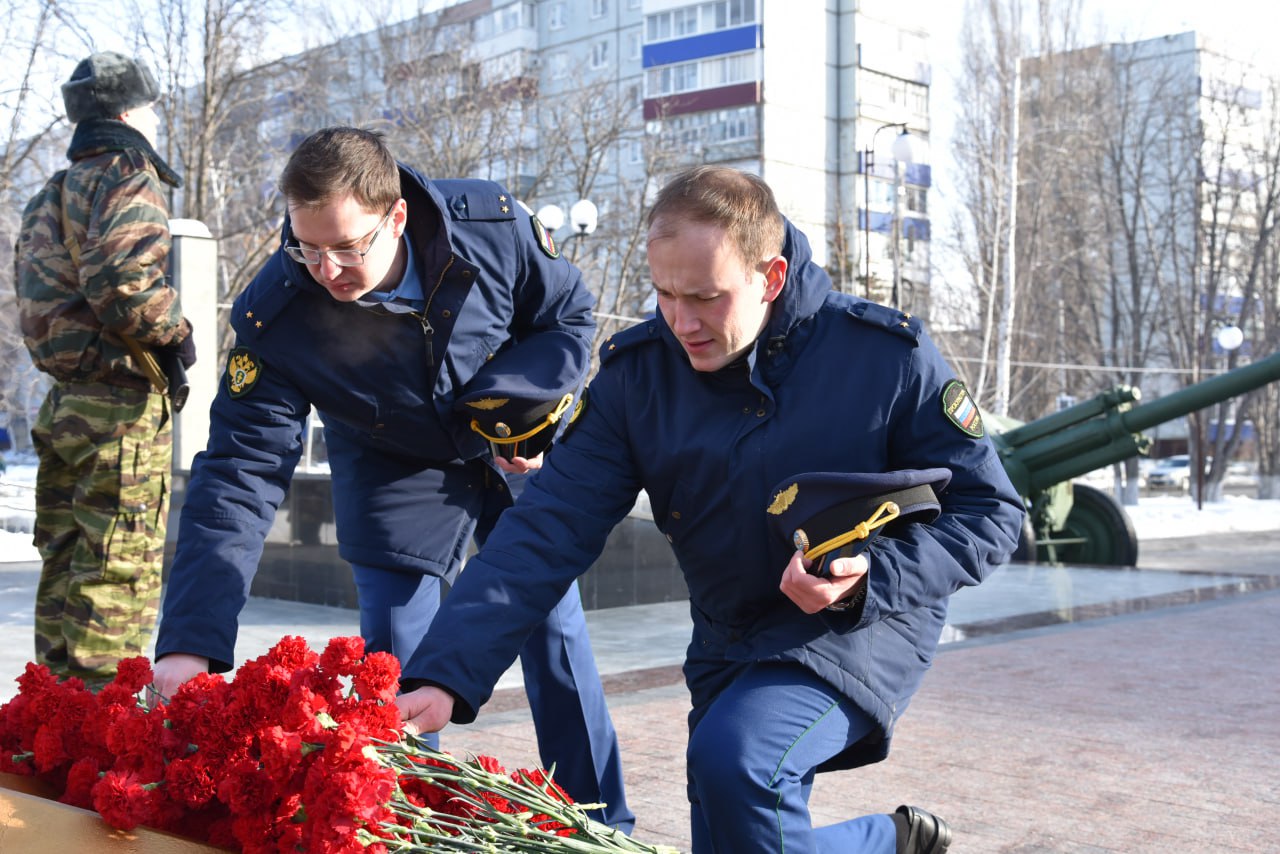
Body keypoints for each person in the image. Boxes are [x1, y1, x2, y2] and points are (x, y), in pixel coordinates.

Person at [395, 165, 1026, 852]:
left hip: (859, 626)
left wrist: (869, 577)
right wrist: (446, 672)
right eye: (664, 293)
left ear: (771, 277)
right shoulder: (639, 378)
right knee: (734, 827)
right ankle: (886, 844)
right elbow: (549, 526)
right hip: (728, 634)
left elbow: (990, 510)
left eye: (705, 297)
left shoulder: (885, 358)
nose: (680, 321)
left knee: (738, 764)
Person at [149, 127, 633, 831]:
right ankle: (404, 832)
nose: (327, 269)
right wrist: (190, 637)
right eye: (306, 247)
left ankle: (600, 825)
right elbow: (238, 475)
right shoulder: (277, 315)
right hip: (391, 469)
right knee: (396, 675)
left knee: (553, 634)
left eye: (347, 247)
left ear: (396, 216)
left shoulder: (490, 230)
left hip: (508, 441)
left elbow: (565, 316)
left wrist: (529, 407)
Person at [14, 51, 195, 689]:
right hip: (120, 410)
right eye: (150, 107)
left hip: (65, 404)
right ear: (128, 111)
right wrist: (176, 334)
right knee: (117, 571)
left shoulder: (52, 193)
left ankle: (51, 732)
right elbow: (123, 283)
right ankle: (98, 745)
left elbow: (37, 308)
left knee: (65, 567)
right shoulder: (128, 175)